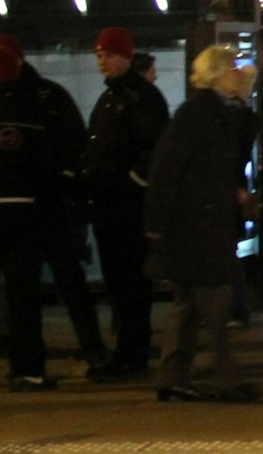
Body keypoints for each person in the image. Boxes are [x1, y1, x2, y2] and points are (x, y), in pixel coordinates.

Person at [145, 45, 261, 403]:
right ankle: (225, 379)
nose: (237, 73)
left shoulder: (216, 113)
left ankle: (173, 377)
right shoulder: (200, 114)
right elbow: (167, 168)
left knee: (189, 305)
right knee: (215, 302)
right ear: (215, 73)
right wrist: (156, 221)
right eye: (231, 68)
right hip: (199, 224)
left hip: (198, 221)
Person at [0, 38, 89, 391]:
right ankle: (28, 368)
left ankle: (26, 366)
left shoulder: (41, 99)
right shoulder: (44, 99)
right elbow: (71, 149)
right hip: (30, 210)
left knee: (21, 294)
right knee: (24, 295)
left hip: (20, 208)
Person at [82, 26, 171, 381]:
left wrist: (131, 183)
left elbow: (153, 151)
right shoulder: (115, 98)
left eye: (107, 55)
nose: (101, 62)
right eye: (99, 56)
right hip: (109, 203)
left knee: (131, 282)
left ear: (124, 57)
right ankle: (128, 350)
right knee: (119, 282)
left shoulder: (139, 98)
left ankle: (131, 353)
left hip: (126, 206)